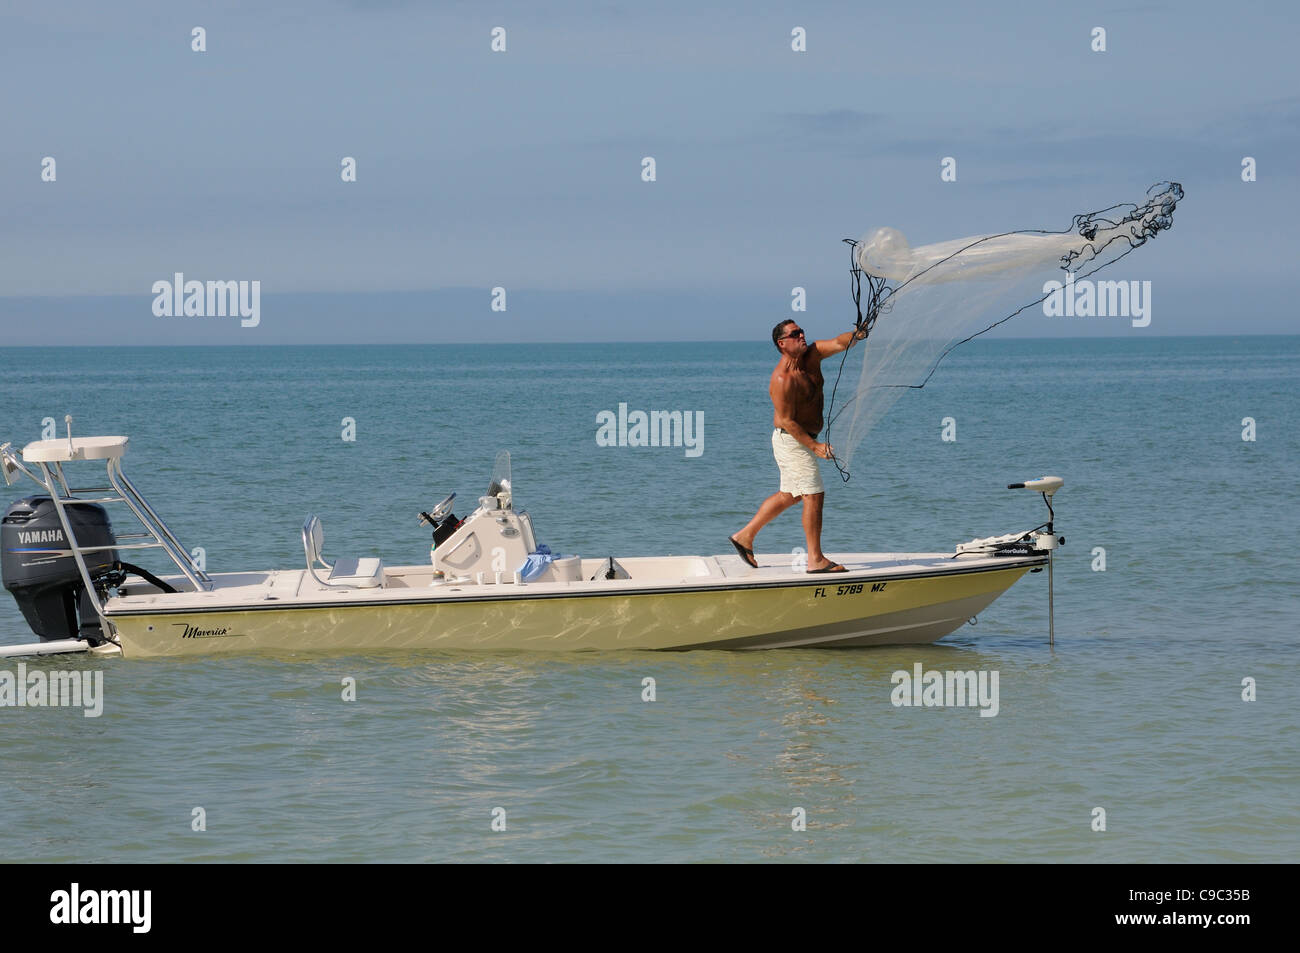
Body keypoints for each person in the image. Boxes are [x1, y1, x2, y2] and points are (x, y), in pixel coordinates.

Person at [729, 319, 867, 573]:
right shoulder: (782, 379)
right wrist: (814, 446)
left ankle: (744, 536)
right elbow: (786, 420)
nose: (802, 335)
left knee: (789, 495)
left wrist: (857, 335)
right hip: (791, 440)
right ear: (782, 343)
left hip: (798, 438)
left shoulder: (813, 355)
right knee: (813, 495)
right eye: (795, 333)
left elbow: (839, 342)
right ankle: (815, 560)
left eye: (802, 330)